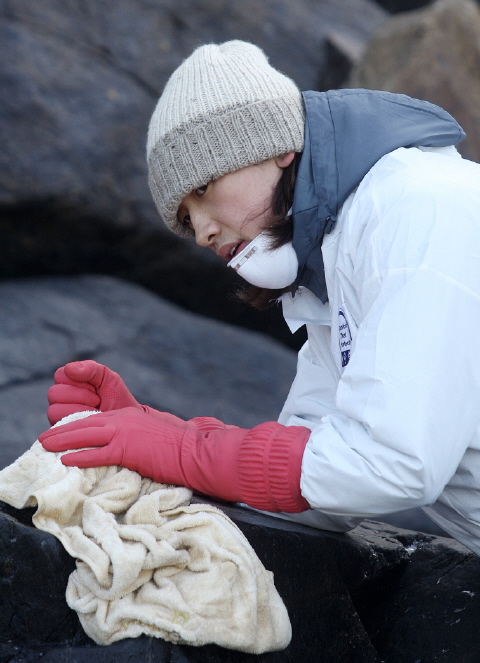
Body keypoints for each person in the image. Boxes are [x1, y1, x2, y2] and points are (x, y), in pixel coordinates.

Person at [39, 41, 480, 553]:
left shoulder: (420, 210)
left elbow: (392, 463)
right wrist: (148, 434)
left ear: (279, 146)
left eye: (202, 187)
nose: (201, 232)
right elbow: (320, 489)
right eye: (185, 219)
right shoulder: (334, 260)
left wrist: (184, 450)